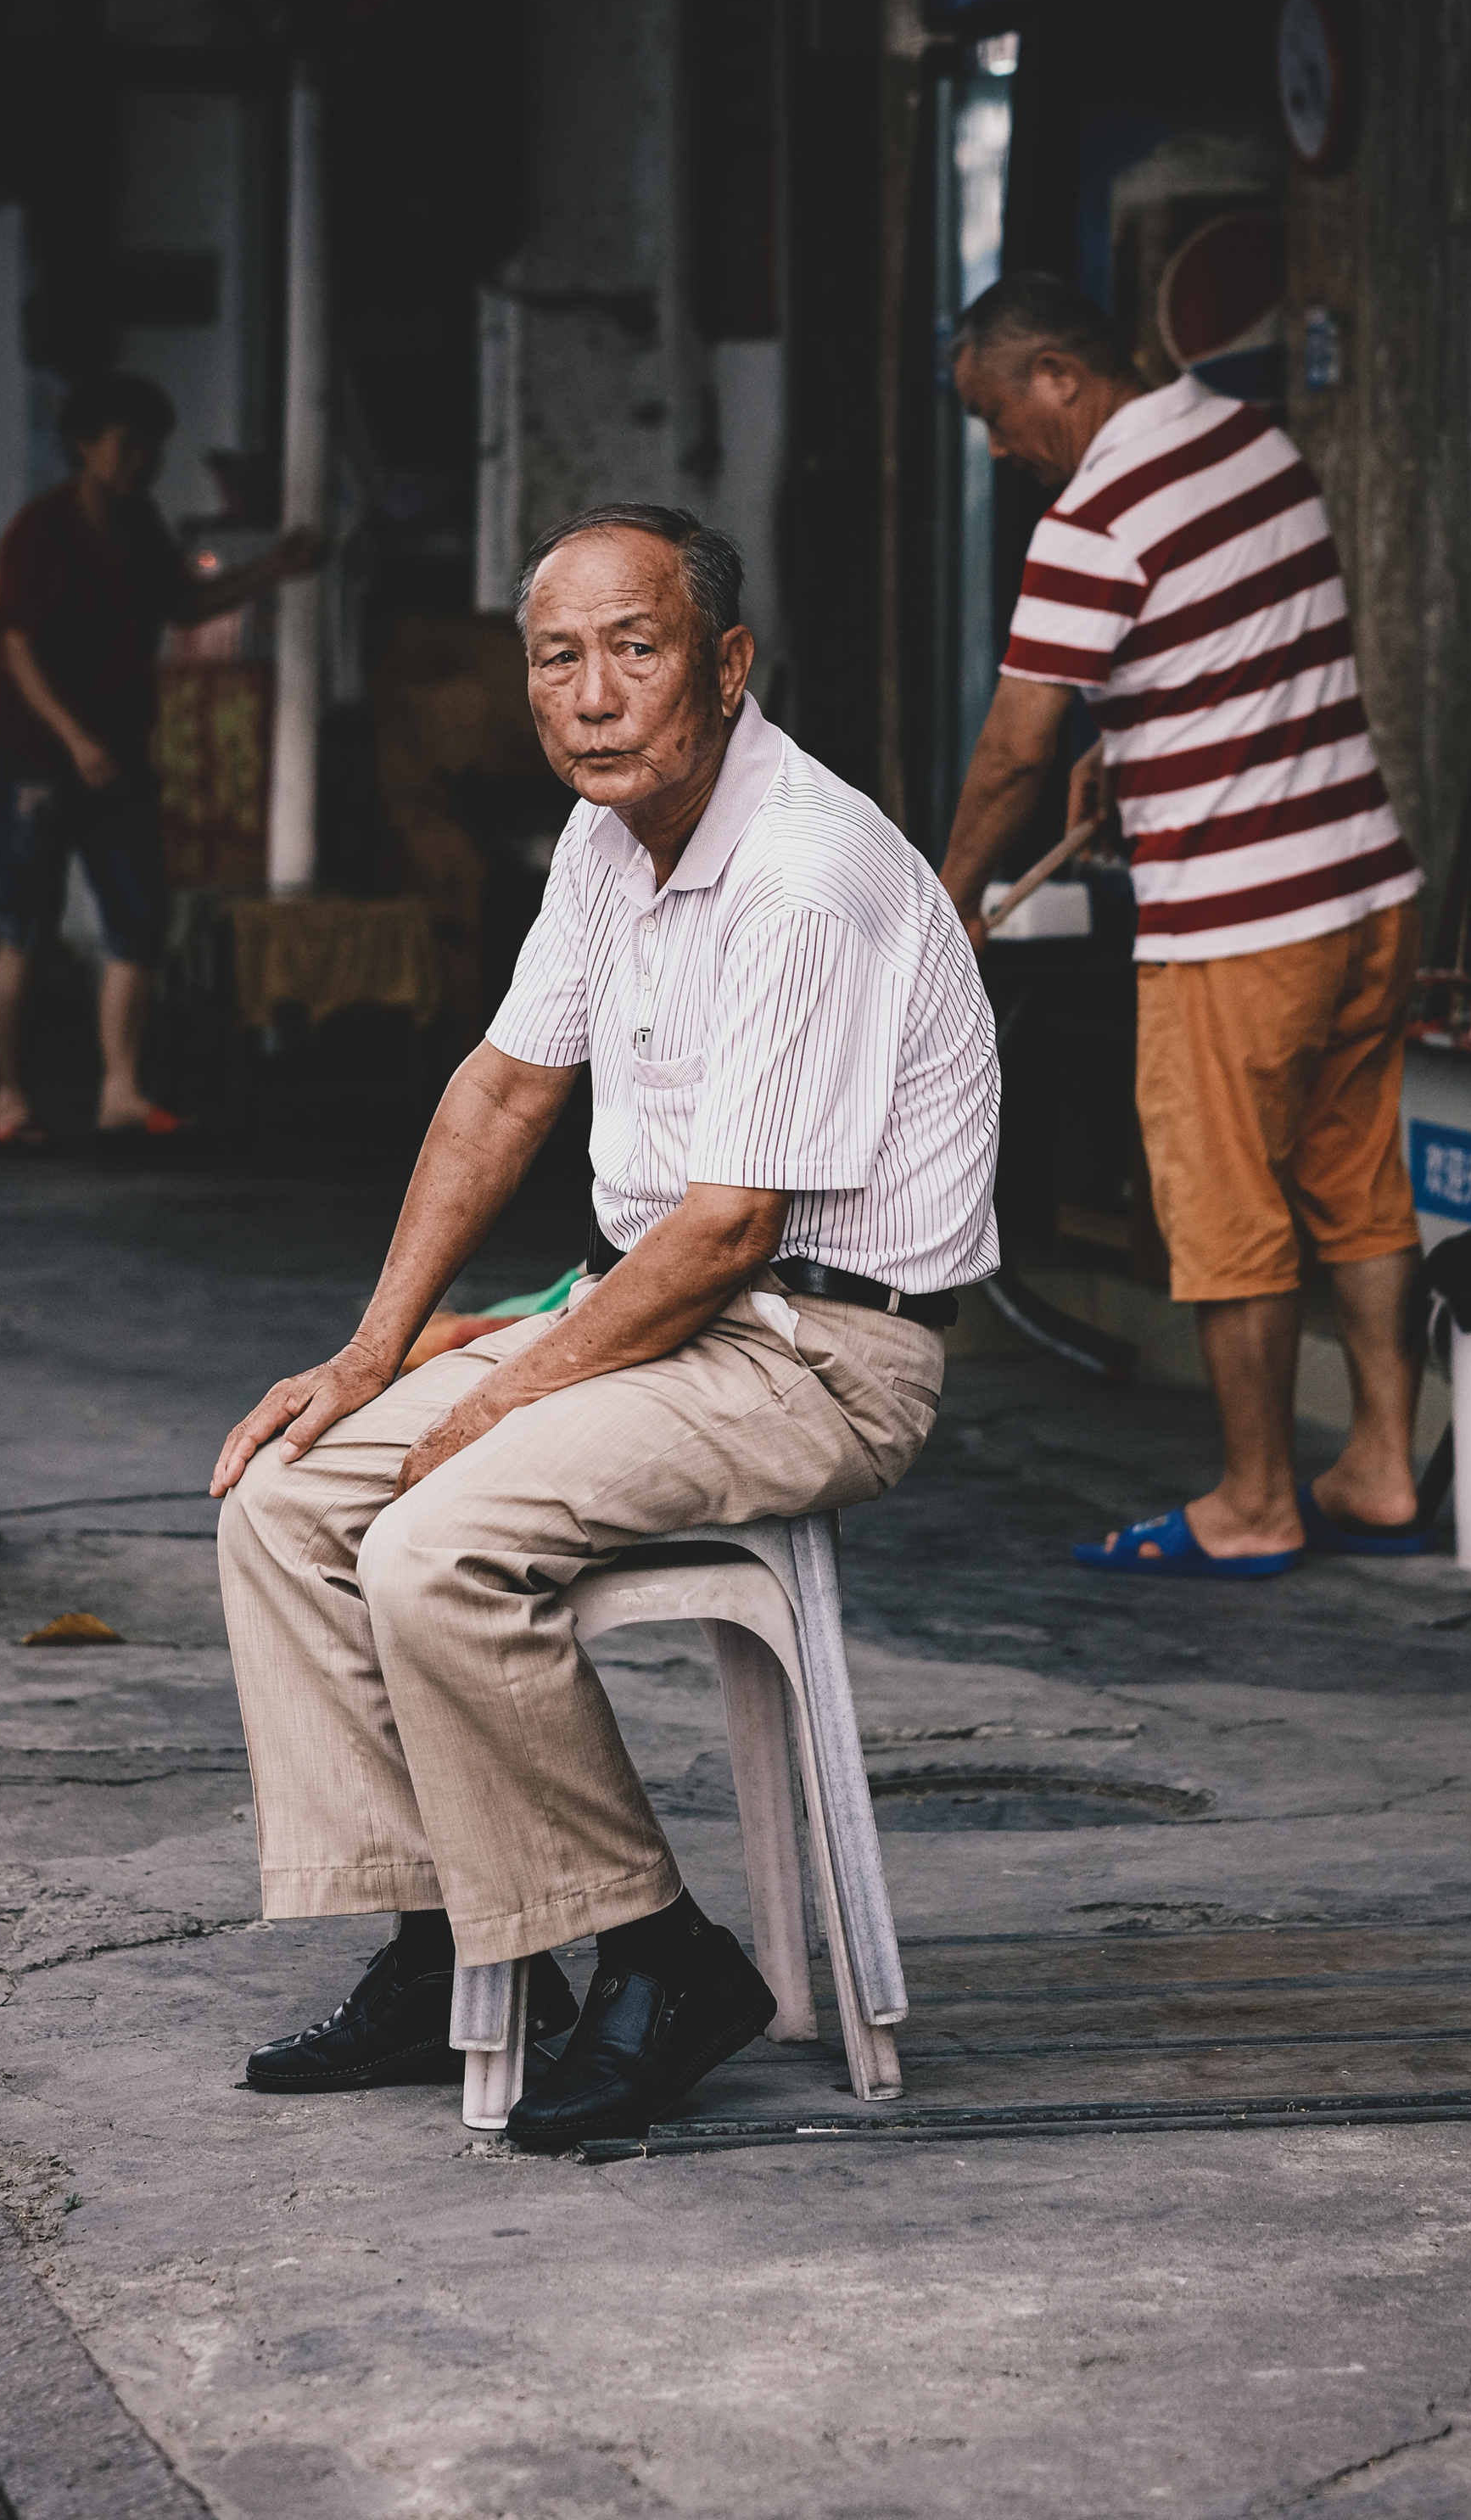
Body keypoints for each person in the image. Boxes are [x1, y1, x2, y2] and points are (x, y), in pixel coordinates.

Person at [209, 502, 999, 2153]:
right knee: (288, 1497)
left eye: (631, 652)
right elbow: (501, 1090)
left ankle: (656, 1955)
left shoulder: (802, 871)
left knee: (432, 1540)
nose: (589, 696)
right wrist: (375, 1353)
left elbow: (726, 1232)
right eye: (554, 660)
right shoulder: (601, 839)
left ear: (723, 665)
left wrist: (498, 1400)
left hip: (814, 1356)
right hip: (650, 1315)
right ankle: (443, 1952)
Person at [937, 272, 1430, 1579]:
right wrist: (1136, 748)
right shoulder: (1253, 439)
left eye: (995, 412)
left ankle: (1257, 1500)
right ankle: (1381, 1466)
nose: (996, 446)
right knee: (1358, 1184)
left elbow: (1011, 754)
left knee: (1224, 1209)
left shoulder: (1092, 518)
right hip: (1368, 889)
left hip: (1239, 923)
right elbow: (1240, 651)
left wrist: (953, 895)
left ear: (1058, 376)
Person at [0, 370, 329, 1151]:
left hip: (119, 755)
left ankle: (121, 1093)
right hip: (33, 755)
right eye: (125, 445)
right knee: (25, 927)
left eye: (151, 449)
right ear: (84, 445)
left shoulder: (140, 526)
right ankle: (11, 1099)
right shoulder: (41, 531)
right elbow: (16, 650)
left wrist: (270, 569)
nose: (140, 461)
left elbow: (182, 605)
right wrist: (75, 741)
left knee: (138, 919)